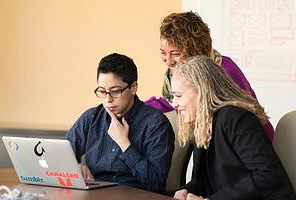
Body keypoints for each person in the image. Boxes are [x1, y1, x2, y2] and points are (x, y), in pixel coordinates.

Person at [171, 56, 296, 200]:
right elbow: (205, 180)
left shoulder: (237, 118)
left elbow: (267, 174)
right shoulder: (202, 124)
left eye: (178, 96)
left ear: (202, 91)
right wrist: (186, 190)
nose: (174, 104)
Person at [64, 53, 175, 193]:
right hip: (95, 194)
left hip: (135, 195)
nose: (108, 100)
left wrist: (124, 144)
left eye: (115, 91)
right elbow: (61, 156)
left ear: (133, 88)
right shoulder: (91, 118)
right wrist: (76, 167)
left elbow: (155, 184)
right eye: (103, 92)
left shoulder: (156, 124)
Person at [157, 11, 274, 141]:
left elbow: (239, 118)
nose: (168, 61)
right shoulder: (178, 73)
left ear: (195, 51)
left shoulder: (225, 71)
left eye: (175, 54)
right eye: (163, 53)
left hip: (249, 142)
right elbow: (173, 101)